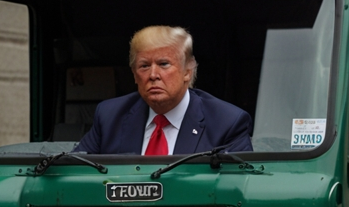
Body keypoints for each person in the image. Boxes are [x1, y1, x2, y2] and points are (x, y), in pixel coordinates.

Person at [74, 26, 253, 155]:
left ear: (187, 72)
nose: (153, 75)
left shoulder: (227, 122)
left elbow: (239, 188)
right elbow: (73, 172)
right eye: (144, 66)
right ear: (135, 76)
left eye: (164, 64)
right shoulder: (110, 116)